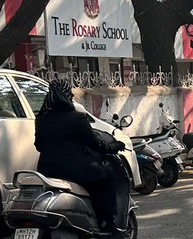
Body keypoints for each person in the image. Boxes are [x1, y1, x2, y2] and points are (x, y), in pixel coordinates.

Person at [34, 80, 126, 231]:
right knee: (107, 177)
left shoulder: (42, 119)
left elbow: (39, 145)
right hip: (77, 172)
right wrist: (113, 146)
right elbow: (95, 144)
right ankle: (107, 222)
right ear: (67, 96)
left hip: (48, 171)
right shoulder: (77, 118)